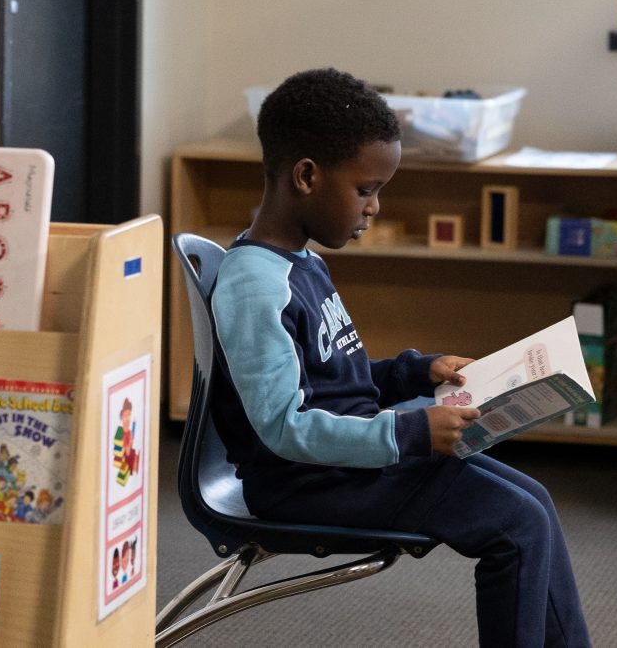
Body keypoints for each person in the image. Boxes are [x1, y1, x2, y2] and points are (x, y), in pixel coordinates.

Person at [209, 67, 590, 647]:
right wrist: (409, 431)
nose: (374, 208)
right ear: (306, 176)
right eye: (365, 189)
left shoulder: (301, 264)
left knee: (533, 502)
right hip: (310, 482)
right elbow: (284, 427)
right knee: (516, 526)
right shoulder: (255, 285)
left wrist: (414, 371)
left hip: (348, 463)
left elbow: (333, 384)